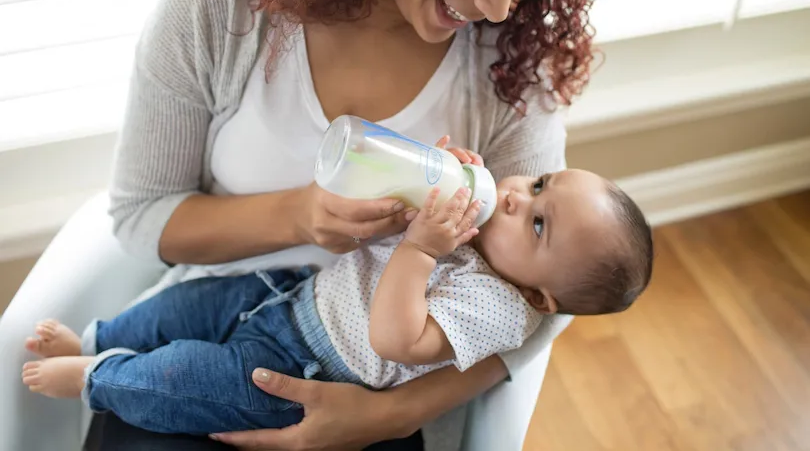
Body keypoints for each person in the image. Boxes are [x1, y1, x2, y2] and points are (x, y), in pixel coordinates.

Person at [14, 0, 603, 448]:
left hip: (363, 384)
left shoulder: (513, 65)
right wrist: (300, 216)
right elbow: (142, 217)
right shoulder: (221, 5)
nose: (500, 6)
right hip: (215, 322)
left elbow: (553, 288)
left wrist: (394, 413)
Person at [22, 160, 653, 435]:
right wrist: (433, 179)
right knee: (185, 307)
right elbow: (391, 208)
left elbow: (396, 338)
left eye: (537, 224)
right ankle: (102, 338)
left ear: (540, 296)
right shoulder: (475, 227)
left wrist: (422, 247)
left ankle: (97, 378)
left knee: (184, 380)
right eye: (539, 184)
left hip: (305, 370)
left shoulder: (501, 310)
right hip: (291, 294)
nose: (514, 197)